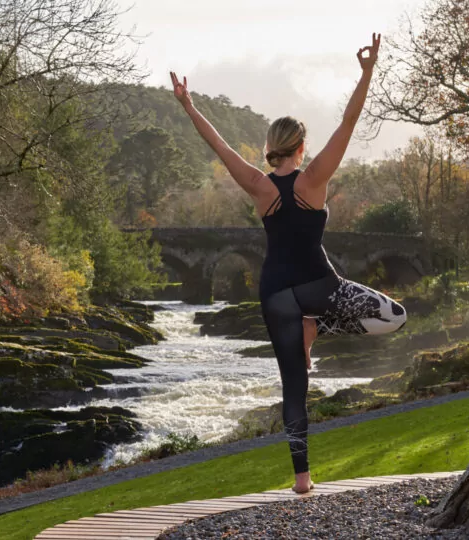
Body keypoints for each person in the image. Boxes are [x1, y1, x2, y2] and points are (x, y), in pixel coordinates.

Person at [171, 33, 407, 494]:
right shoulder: (315, 178)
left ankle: (302, 479)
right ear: (301, 147)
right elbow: (350, 121)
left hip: (275, 293)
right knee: (394, 318)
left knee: (293, 386)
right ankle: (315, 324)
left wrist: (189, 106)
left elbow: (218, 147)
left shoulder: (259, 187)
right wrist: (367, 72)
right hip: (319, 284)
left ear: (272, 148)